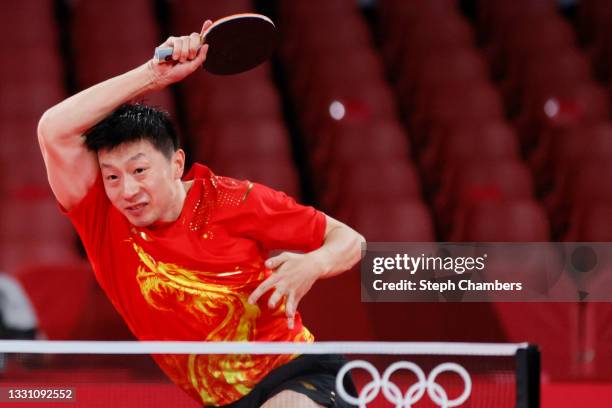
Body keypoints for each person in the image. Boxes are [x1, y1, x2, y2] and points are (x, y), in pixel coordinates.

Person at [37, 21, 365, 408]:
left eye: (140, 171)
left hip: (295, 374)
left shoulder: (234, 200)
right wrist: (151, 75)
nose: (126, 191)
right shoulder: (100, 216)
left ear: (176, 164)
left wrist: (315, 264)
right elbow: (53, 128)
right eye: (112, 176)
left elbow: (352, 240)